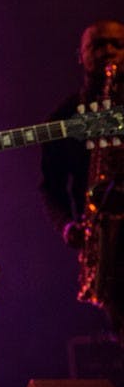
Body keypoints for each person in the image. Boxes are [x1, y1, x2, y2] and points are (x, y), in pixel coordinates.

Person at [39, 19, 124, 332]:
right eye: (98, 46)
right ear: (81, 55)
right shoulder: (64, 117)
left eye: (117, 45)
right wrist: (67, 225)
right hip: (107, 242)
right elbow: (51, 188)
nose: (108, 52)